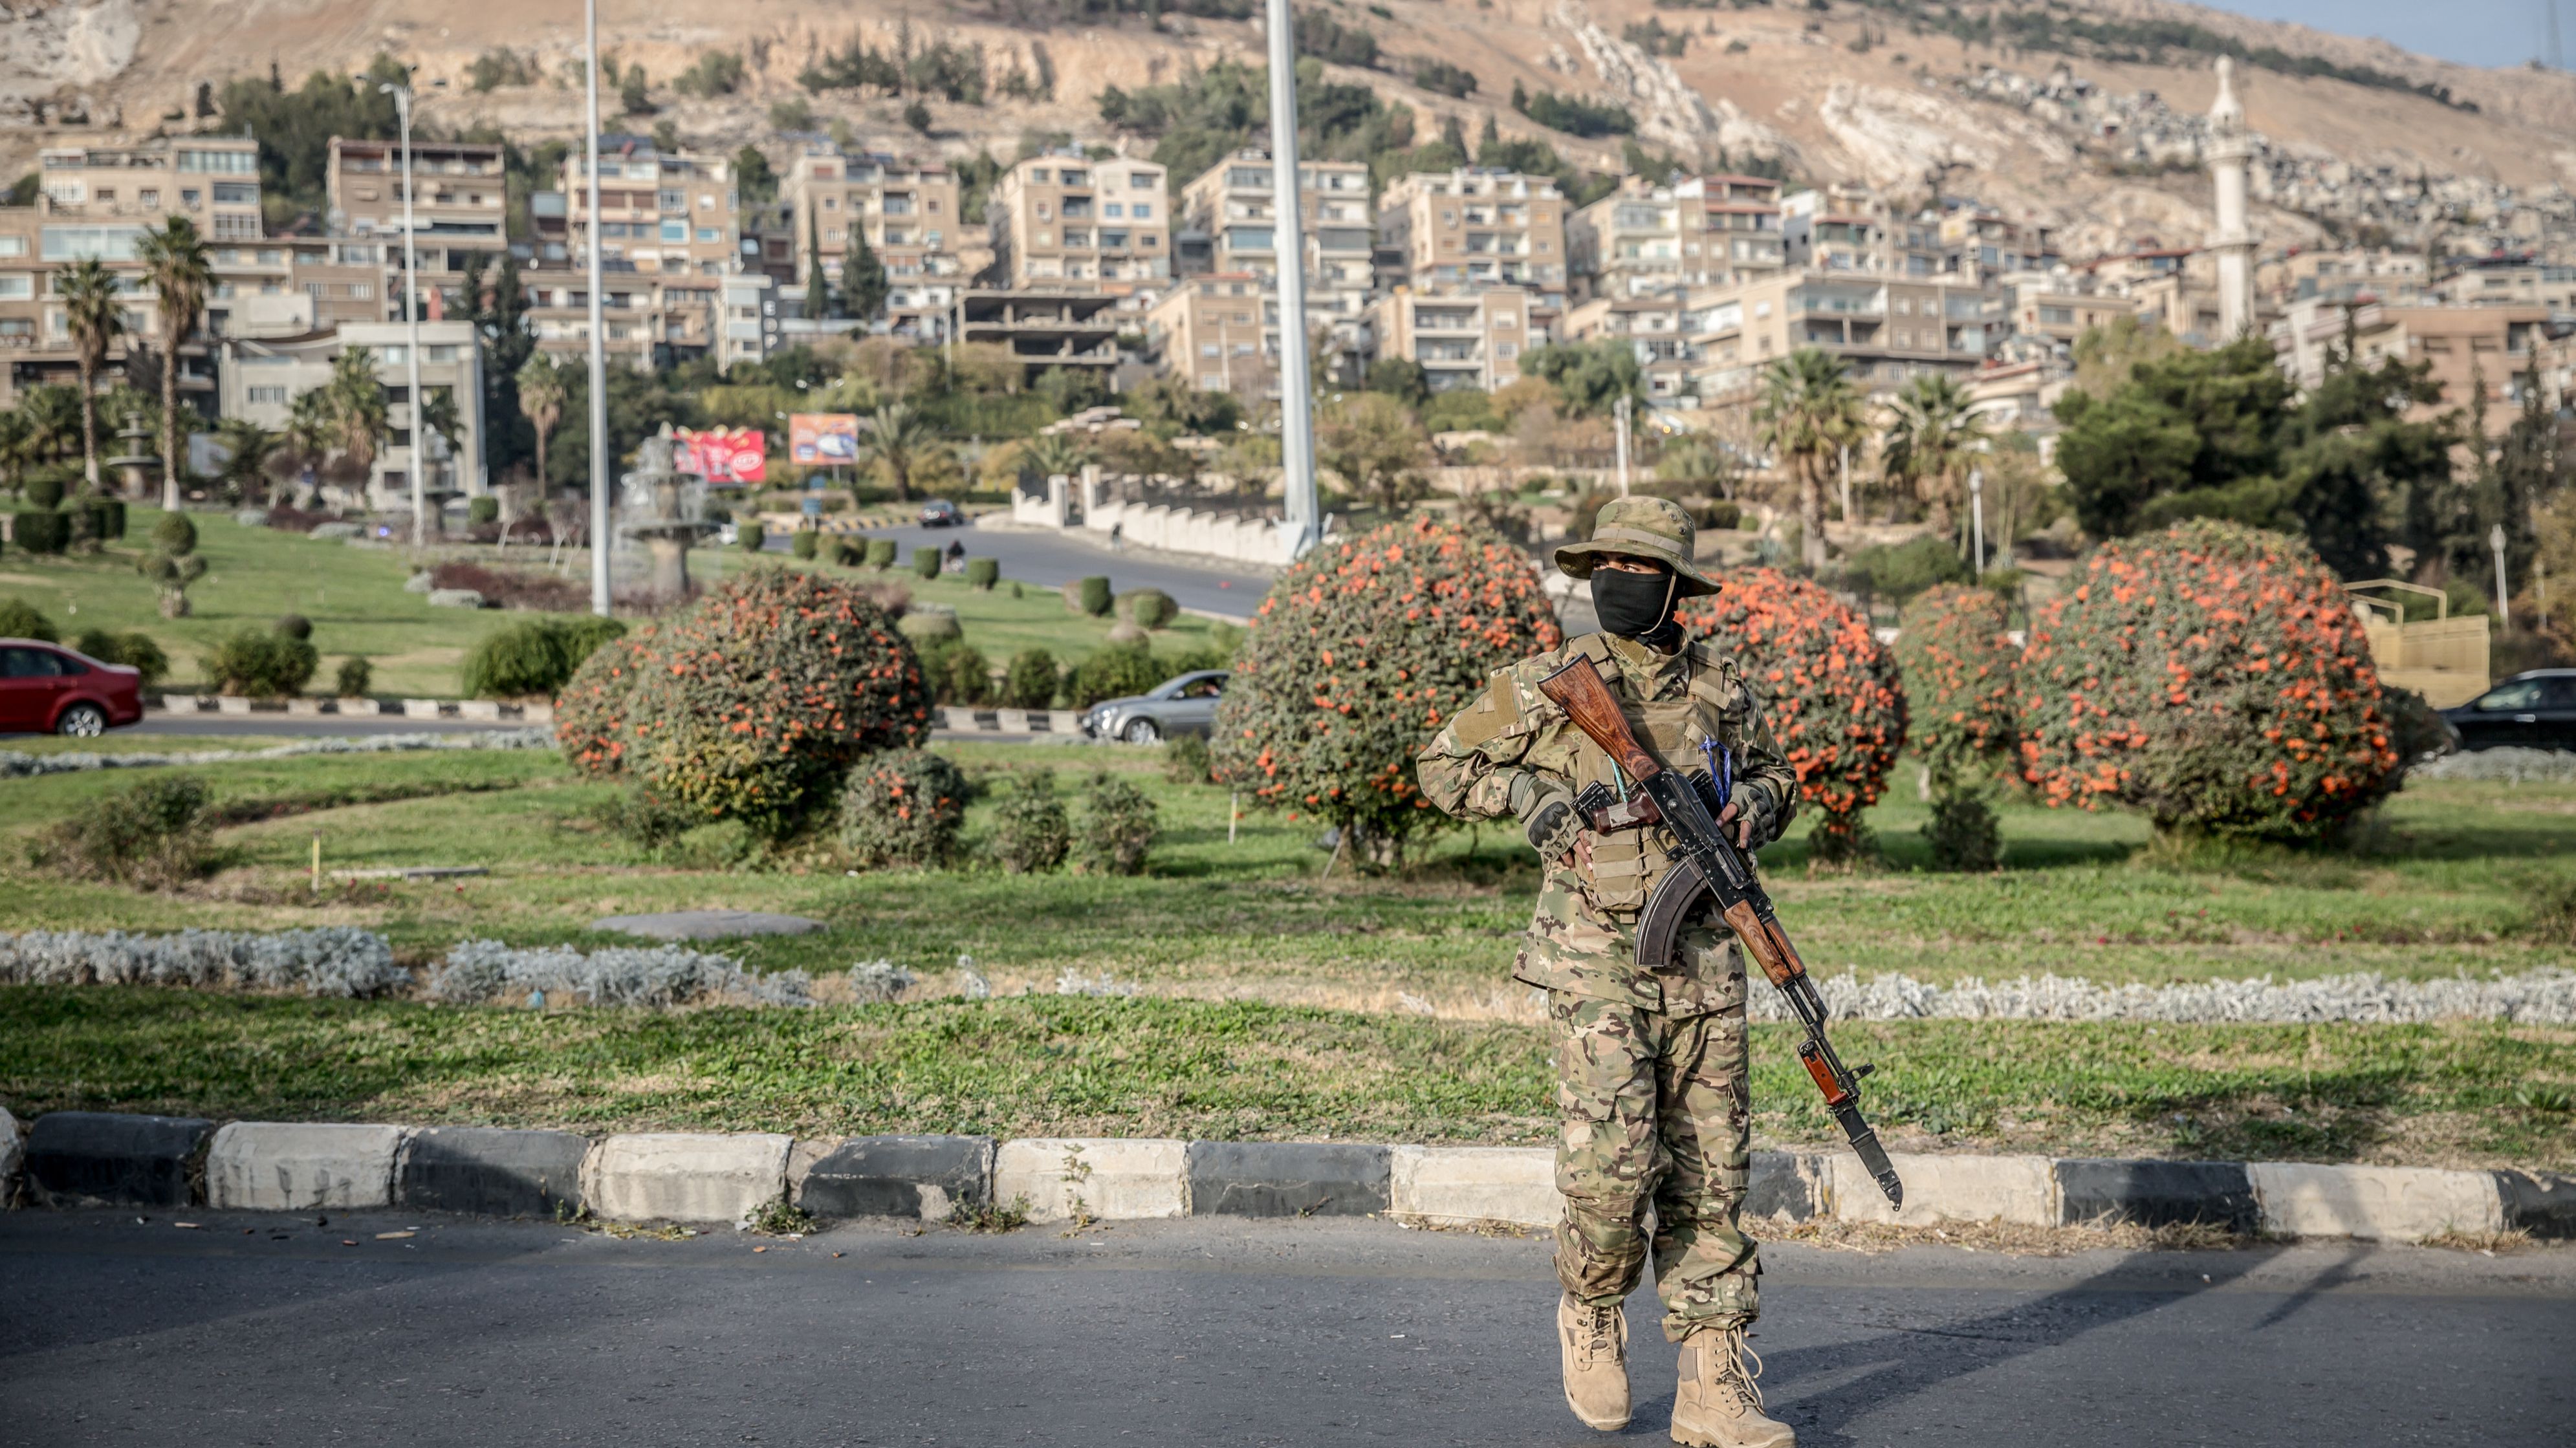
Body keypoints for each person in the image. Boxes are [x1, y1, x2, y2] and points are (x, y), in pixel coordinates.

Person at [1416, 495, 1802, 1448]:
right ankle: (1590, 1308)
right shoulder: (1546, 683)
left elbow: (1781, 778)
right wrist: (1527, 797)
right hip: (1592, 963)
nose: (1616, 585)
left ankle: (1713, 1387)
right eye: (1602, 569)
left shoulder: (1721, 688)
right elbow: (1439, 765)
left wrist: (1754, 802)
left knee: (1713, 1176)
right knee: (1611, 1168)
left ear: (1676, 587)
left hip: (1709, 960)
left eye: (1637, 569)